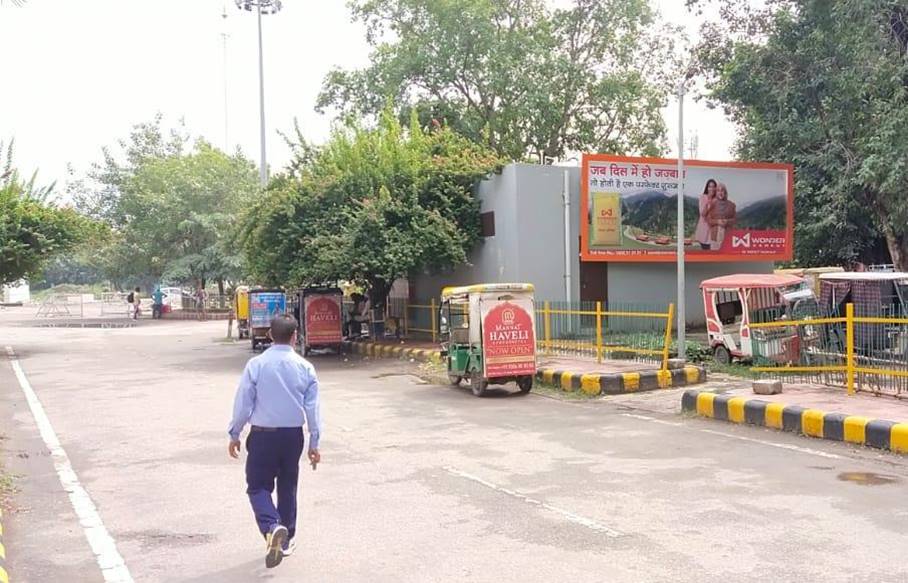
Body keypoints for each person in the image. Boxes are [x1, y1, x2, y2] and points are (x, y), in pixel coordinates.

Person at [227, 314, 322, 569]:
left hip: (263, 435)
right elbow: (313, 410)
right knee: (288, 485)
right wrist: (314, 442)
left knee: (258, 487)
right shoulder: (305, 367)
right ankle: (286, 538)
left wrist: (235, 433)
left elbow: (243, 403)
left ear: (270, 335)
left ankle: (271, 526)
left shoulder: (256, 365)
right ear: (295, 336)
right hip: (292, 436)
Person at [707, 182, 737, 250]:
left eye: (722, 190)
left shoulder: (731, 205)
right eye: (718, 191)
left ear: (725, 192)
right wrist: (717, 222)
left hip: (728, 236)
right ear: (716, 193)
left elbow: (735, 219)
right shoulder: (712, 204)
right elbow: (708, 220)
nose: (720, 193)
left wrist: (727, 221)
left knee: (727, 255)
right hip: (715, 237)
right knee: (715, 255)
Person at [695, 179, 717, 250]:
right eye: (710, 186)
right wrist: (709, 201)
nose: (712, 189)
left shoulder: (717, 199)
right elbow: (702, 214)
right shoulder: (703, 197)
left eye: (713, 187)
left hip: (714, 231)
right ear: (707, 188)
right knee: (706, 250)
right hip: (704, 229)